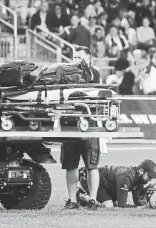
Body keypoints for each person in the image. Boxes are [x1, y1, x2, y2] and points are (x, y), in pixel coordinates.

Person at [61, 46, 101, 210]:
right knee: (71, 164)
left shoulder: (93, 73)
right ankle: (72, 200)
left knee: (92, 165)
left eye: (79, 58)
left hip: (89, 124)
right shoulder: (66, 72)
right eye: (74, 57)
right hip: (69, 123)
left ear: (89, 59)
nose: (75, 60)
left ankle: (92, 200)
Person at [77, 159, 156, 208]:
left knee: (113, 204)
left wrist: (145, 204)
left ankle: (87, 200)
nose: (150, 179)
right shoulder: (126, 178)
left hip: (106, 185)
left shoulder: (139, 180)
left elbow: (137, 203)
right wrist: (138, 208)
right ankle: (81, 195)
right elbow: (122, 205)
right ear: (141, 171)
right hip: (91, 180)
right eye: (149, 176)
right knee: (109, 205)